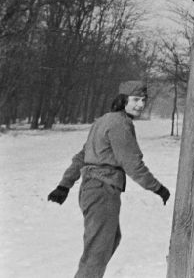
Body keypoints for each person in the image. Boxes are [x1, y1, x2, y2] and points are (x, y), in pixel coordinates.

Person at [47, 81, 171, 278]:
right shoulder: (120, 124)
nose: (141, 104)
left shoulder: (103, 120)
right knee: (97, 250)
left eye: (143, 100)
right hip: (102, 190)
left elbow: (82, 155)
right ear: (123, 100)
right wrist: (158, 188)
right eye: (136, 99)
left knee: (110, 240)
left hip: (94, 188)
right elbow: (132, 163)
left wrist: (64, 185)